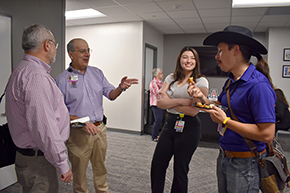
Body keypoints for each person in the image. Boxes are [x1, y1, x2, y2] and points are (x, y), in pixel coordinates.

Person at [188, 25, 276, 192]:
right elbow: (223, 109)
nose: (216, 57)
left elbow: (267, 134)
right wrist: (202, 98)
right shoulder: (231, 81)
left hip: (246, 163)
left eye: (220, 51)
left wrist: (226, 121)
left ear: (235, 50)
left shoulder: (258, 86)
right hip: (225, 156)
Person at [56, 38, 138, 193]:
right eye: (82, 51)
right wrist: (81, 122)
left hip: (100, 130)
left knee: (100, 169)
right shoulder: (61, 80)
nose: (87, 54)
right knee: (79, 175)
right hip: (78, 133)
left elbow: (111, 94)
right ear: (70, 54)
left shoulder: (97, 73)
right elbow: (59, 113)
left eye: (88, 50)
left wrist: (120, 88)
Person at [5, 24, 73, 193]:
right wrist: (62, 164)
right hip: (39, 161)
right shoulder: (36, 77)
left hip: (26, 157)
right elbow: (44, 128)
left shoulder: (20, 70)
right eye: (55, 45)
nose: (55, 50)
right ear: (47, 45)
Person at [150, 46, 209, 193]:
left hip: (189, 128)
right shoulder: (171, 78)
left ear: (196, 61)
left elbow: (194, 110)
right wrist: (183, 101)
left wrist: (171, 100)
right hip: (170, 125)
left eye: (192, 58)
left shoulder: (201, 82)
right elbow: (160, 103)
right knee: (157, 166)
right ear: (179, 60)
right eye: (185, 57)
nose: (188, 61)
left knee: (180, 171)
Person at [149, 68, 165, 142]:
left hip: (161, 103)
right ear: (156, 75)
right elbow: (158, 93)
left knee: (160, 119)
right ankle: (154, 136)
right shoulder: (153, 83)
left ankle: (157, 135)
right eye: (160, 74)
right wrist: (164, 89)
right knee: (158, 120)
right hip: (155, 104)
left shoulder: (161, 82)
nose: (162, 75)